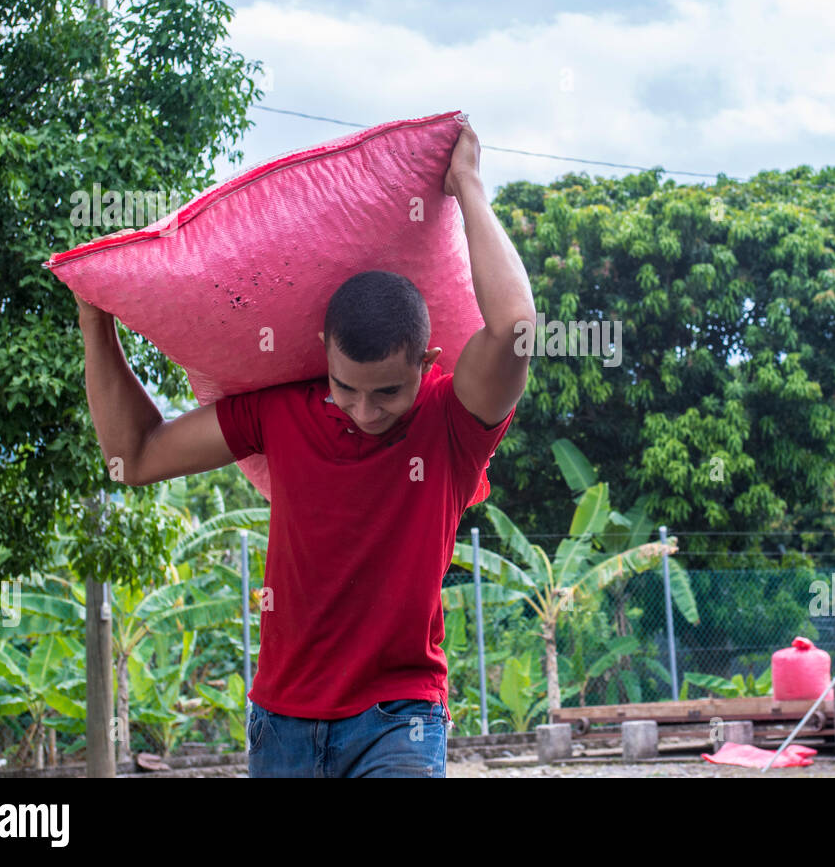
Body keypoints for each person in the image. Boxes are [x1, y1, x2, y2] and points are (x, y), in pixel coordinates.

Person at [74, 117, 535, 777]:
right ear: (324, 355)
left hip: (398, 718)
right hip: (283, 725)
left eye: (388, 393)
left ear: (429, 363)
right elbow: (134, 455)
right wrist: (97, 320)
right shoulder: (281, 413)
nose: (366, 410)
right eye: (348, 388)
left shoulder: (451, 424)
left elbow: (515, 326)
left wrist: (466, 183)